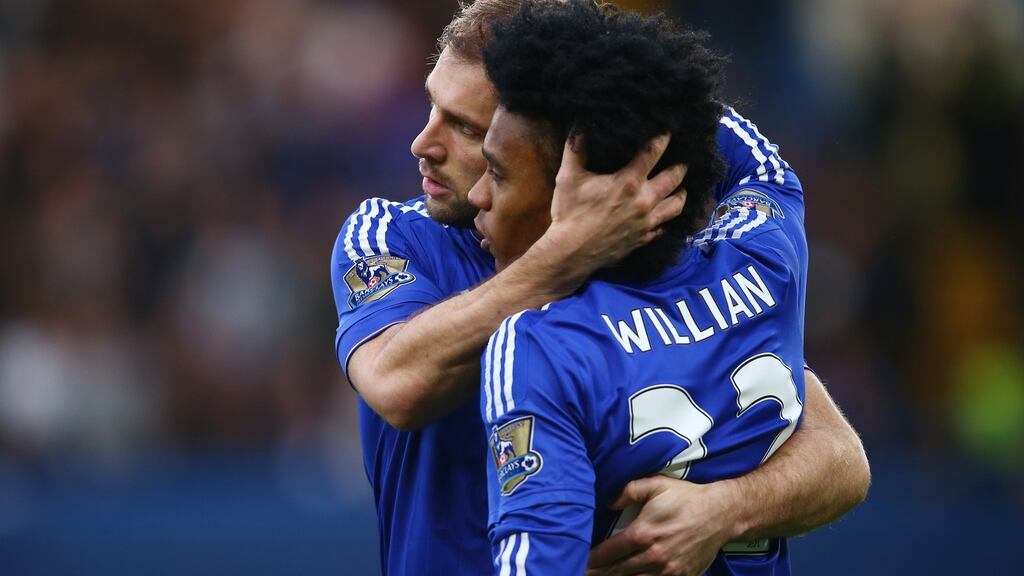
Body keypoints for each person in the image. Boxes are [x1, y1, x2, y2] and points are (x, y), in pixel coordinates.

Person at [330, 1, 869, 574]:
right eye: (432, 105)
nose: (423, 143)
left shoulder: (667, 266)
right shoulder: (394, 237)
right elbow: (396, 382)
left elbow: (841, 460)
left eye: (469, 129)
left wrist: (726, 508)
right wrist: (568, 250)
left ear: (569, 154)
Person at [473, 2, 823, 574]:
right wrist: (636, 91)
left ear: (582, 195)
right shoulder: (764, 255)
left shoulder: (541, 348)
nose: (478, 197)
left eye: (499, 173)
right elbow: (763, 167)